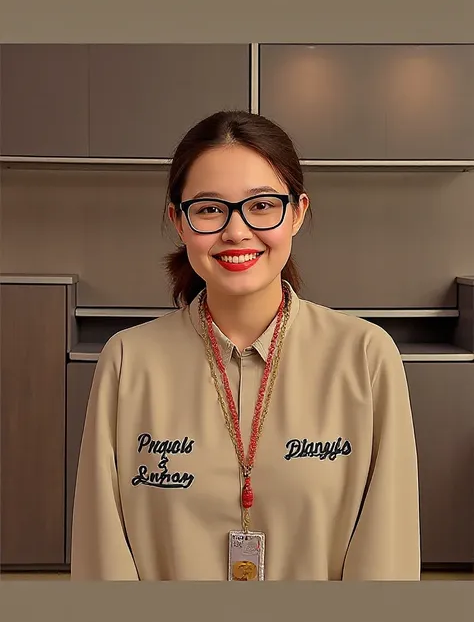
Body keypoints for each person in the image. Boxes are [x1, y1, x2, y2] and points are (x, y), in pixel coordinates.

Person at [70, 110, 420, 581]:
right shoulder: (129, 362)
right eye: (210, 208)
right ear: (179, 220)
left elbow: (387, 554)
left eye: (261, 206)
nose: (236, 231)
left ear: (296, 213)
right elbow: (102, 554)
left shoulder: (365, 357)